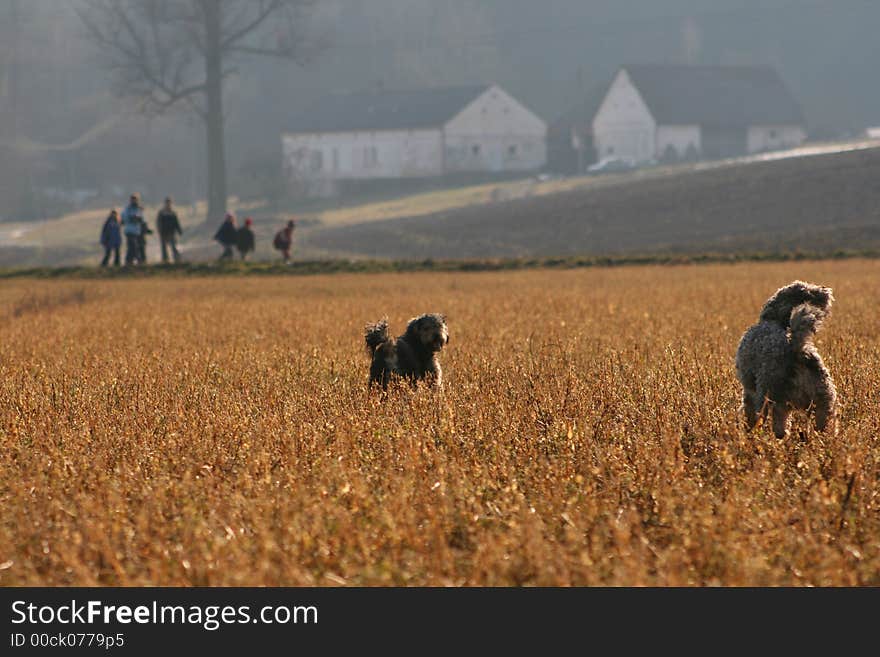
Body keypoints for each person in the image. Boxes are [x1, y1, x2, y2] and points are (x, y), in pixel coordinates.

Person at [156, 197, 183, 263]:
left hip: (172, 232)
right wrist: (159, 231)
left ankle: (177, 260)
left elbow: (176, 222)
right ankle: (165, 260)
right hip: (163, 233)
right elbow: (158, 223)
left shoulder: (173, 213)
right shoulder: (161, 213)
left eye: (169, 203)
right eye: (167, 203)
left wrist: (179, 230)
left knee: (174, 247)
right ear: (165, 203)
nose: (168, 204)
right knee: (164, 248)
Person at [120, 193, 145, 265]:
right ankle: (139, 261)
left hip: (137, 231)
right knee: (134, 246)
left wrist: (137, 218)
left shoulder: (139, 209)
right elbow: (125, 218)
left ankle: (128, 262)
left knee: (131, 248)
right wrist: (134, 218)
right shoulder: (127, 209)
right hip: (129, 231)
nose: (134, 201)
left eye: (136, 199)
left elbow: (142, 220)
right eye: (133, 199)